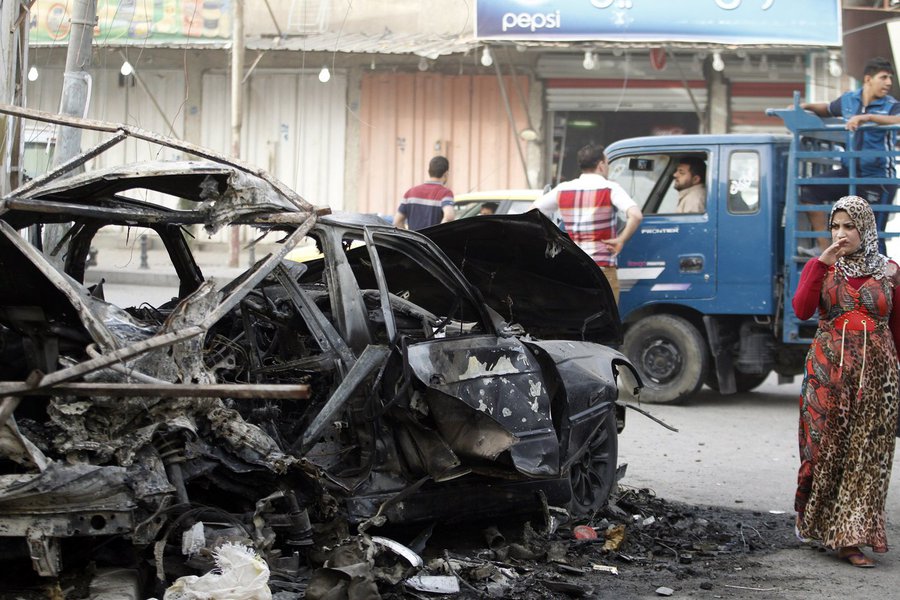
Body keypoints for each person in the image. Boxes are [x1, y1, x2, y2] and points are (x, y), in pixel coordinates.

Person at [792, 195, 900, 568]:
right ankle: (815, 522)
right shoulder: (821, 268)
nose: (841, 234)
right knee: (822, 450)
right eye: (835, 226)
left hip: (877, 376)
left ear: (865, 229)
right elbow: (802, 309)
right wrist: (822, 262)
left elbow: (898, 328)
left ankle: (850, 538)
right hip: (828, 373)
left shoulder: (890, 271)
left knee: (864, 457)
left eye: (849, 226)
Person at [800, 57, 900, 251]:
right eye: (884, 77)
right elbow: (828, 108)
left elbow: (898, 119)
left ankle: (882, 280)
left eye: (890, 78)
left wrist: (867, 118)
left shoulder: (891, 105)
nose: (888, 82)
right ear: (868, 79)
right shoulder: (848, 100)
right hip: (850, 172)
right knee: (809, 189)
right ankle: (826, 250)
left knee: (872, 236)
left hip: (878, 179)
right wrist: (806, 107)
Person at [534, 143, 643, 303]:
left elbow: (532, 213)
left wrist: (552, 239)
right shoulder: (610, 188)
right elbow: (636, 215)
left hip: (573, 269)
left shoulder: (563, 190)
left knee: (577, 319)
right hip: (602, 269)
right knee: (606, 322)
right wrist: (621, 240)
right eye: (607, 163)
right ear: (600, 165)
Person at [394, 156, 455, 230]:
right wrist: (438, 235)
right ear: (446, 174)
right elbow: (449, 217)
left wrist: (409, 239)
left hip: (414, 240)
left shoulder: (410, 193)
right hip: (433, 241)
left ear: (429, 171)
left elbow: (397, 222)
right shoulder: (445, 193)